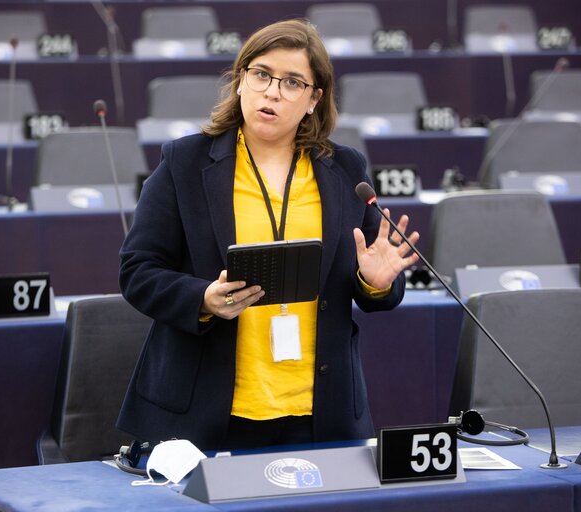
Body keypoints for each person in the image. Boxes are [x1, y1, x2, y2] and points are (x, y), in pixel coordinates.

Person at [117, 19, 420, 452]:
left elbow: (380, 287)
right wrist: (202, 298)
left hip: (319, 412)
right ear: (240, 81)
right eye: (261, 74)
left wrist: (377, 280)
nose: (272, 92)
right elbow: (137, 271)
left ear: (314, 99)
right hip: (207, 412)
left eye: (293, 82)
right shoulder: (184, 163)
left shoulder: (346, 170)